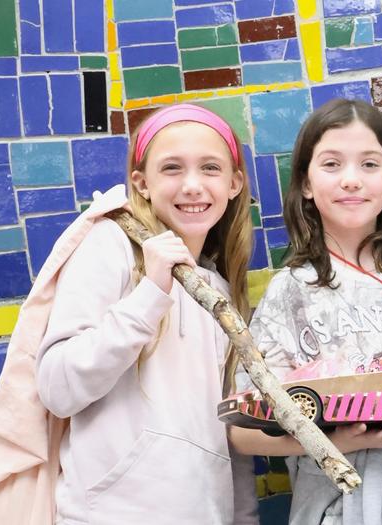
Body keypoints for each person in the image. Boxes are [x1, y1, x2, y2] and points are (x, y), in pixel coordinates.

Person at [228, 98, 382, 525]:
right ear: (305, 183)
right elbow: (241, 432)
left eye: (370, 165)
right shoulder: (289, 291)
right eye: (332, 164)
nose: (352, 180)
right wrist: (339, 442)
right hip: (333, 507)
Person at [34, 104, 258, 524]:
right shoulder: (109, 246)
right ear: (142, 182)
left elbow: (231, 434)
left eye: (210, 168)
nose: (192, 186)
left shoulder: (221, 295)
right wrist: (152, 292)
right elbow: (58, 388)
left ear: (234, 183)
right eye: (172, 168)